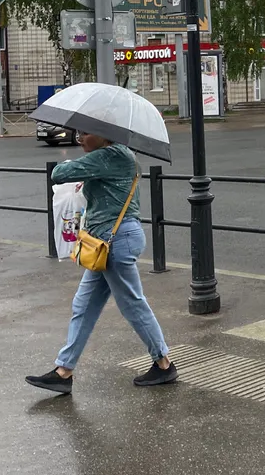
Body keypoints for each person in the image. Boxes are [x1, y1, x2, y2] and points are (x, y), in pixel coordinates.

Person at [27, 133, 175, 395]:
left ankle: (164, 363)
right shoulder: (116, 155)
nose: (79, 138)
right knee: (84, 305)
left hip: (114, 241)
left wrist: (78, 165)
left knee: (132, 303)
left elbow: (59, 173)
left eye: (85, 133)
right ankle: (64, 371)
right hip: (105, 243)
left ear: (103, 134)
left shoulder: (111, 155)